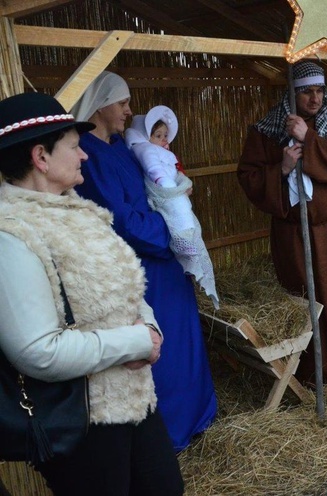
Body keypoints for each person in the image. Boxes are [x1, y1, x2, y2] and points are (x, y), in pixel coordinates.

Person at [0, 92, 183, 495]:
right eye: (74, 146)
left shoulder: (80, 211)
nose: (84, 156)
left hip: (134, 399)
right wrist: (136, 341)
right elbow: (36, 350)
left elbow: (128, 286)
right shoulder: (11, 234)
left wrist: (149, 327)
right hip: (82, 418)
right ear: (40, 158)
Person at [71, 71, 217, 451]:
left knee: (185, 342)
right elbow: (123, 223)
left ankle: (199, 416)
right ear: (100, 105)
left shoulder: (120, 145)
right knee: (163, 350)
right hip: (145, 268)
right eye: (123, 103)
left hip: (165, 264)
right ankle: (173, 434)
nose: (129, 111)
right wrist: (172, 232)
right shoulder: (91, 155)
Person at [237, 61, 327, 386]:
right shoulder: (267, 129)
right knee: (303, 305)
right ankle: (309, 377)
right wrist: (283, 169)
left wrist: (309, 138)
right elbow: (248, 176)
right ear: (292, 93)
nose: (315, 99)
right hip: (292, 237)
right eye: (306, 92)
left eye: (319, 91)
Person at [124, 105, 218, 308]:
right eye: (158, 135)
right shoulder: (146, 151)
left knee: (185, 216)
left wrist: (180, 183)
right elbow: (156, 173)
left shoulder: (161, 153)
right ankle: (186, 244)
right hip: (164, 194)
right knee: (179, 215)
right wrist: (171, 189)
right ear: (145, 136)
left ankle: (189, 244)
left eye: (165, 135)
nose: (164, 139)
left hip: (174, 191)